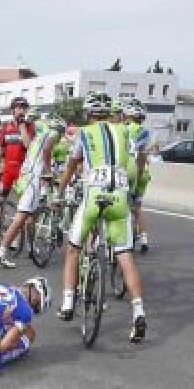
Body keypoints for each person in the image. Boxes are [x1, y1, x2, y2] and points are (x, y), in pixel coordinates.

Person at [55, 91, 148, 343]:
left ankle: (67, 303)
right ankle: (139, 312)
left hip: (94, 195)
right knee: (125, 255)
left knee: (73, 248)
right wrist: (133, 189)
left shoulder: (84, 133)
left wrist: (59, 192)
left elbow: (71, 165)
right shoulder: (125, 131)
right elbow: (138, 162)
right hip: (120, 196)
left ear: (89, 113)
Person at [0, 114, 66, 268]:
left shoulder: (39, 136)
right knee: (21, 217)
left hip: (25, 177)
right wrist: (48, 172)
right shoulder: (53, 134)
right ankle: (1, 251)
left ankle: (31, 247)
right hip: (32, 179)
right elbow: (46, 151)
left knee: (31, 216)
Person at [0, 97, 36, 210]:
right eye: (18, 107)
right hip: (8, 169)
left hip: (23, 171)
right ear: (13, 110)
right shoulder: (6, 127)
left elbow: (28, 146)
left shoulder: (30, 127)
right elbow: (0, 150)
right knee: (1, 201)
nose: (21, 110)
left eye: (24, 108)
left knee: (23, 204)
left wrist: (22, 126)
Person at [122, 100, 153, 254]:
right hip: (142, 173)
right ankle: (144, 238)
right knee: (137, 207)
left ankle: (122, 238)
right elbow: (143, 155)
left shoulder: (122, 129)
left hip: (127, 170)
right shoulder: (145, 132)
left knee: (122, 206)